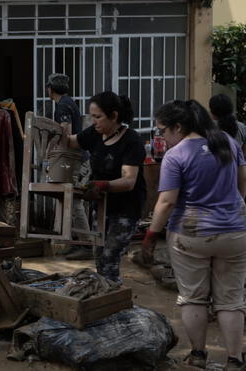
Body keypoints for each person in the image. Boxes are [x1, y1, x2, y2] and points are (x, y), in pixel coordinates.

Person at [142, 100, 246, 370]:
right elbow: (242, 185)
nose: (162, 137)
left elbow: (166, 203)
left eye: (163, 130)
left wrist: (151, 236)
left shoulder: (177, 156)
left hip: (191, 235)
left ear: (178, 126)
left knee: (193, 297)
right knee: (231, 300)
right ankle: (235, 360)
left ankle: (198, 356)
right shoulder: (227, 142)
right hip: (234, 231)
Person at [67, 91, 146, 282]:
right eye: (92, 116)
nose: (94, 121)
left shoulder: (131, 141)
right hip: (101, 206)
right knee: (99, 257)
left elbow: (128, 181)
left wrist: (101, 185)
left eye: (98, 117)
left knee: (110, 258)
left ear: (114, 116)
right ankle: (104, 295)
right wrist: (50, 131)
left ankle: (111, 299)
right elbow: (71, 141)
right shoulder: (95, 133)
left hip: (126, 209)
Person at [46, 73, 92, 260]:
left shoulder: (63, 105)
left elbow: (66, 132)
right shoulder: (67, 102)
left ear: (50, 89)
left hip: (73, 159)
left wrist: (55, 153)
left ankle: (87, 246)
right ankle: (80, 243)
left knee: (74, 202)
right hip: (76, 158)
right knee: (72, 202)